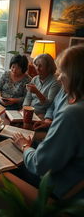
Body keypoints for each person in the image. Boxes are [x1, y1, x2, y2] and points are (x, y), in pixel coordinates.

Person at [12, 45, 84, 199]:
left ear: (76, 75)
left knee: (8, 163)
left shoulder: (73, 113)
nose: (59, 77)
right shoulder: (68, 94)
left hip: (58, 187)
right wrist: (49, 121)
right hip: (58, 157)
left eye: (62, 72)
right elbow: (52, 106)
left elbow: (40, 165)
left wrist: (24, 146)